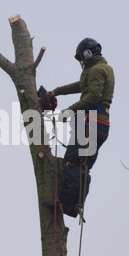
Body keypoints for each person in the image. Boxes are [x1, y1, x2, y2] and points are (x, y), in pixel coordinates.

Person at [43, 38, 115, 218]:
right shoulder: (100, 69)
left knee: (74, 163)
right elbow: (81, 86)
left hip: (91, 122)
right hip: (99, 124)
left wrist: (69, 111)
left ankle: (63, 202)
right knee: (81, 164)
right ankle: (74, 205)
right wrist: (57, 91)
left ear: (88, 54)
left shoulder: (98, 70)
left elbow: (92, 96)